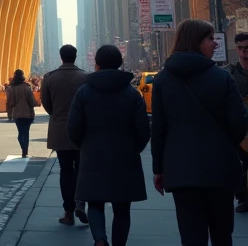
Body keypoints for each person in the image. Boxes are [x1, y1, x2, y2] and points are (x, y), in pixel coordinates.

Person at [151, 18, 247, 245]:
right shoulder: (222, 77)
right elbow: (239, 123)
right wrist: (224, 144)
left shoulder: (163, 79)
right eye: (210, 39)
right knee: (222, 234)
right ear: (196, 41)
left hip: (181, 170)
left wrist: (159, 169)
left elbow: (159, 128)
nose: (215, 44)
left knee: (191, 236)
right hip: (220, 168)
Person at [67, 44, 149, 246]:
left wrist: (84, 145)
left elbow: (73, 127)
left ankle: (100, 239)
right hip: (125, 156)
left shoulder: (84, 92)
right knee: (122, 208)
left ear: (97, 65)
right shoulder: (132, 94)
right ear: (120, 64)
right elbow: (143, 130)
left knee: (95, 203)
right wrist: (133, 147)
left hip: (93, 155)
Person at [41, 43, 88, 227]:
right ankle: (81, 204)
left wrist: (59, 116)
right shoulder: (84, 77)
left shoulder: (50, 79)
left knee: (66, 171)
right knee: (82, 170)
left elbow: (47, 105)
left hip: (60, 131)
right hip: (82, 131)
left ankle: (68, 213)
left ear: (61, 57)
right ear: (75, 57)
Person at [227, 31, 248, 212]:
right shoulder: (230, 72)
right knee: (240, 165)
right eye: (240, 48)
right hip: (239, 127)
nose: (244, 52)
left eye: (247, 48)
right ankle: (243, 197)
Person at [6, 69, 36, 158]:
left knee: (20, 132)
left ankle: (22, 147)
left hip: (17, 114)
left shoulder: (12, 88)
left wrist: (10, 112)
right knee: (26, 132)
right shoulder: (27, 87)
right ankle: (25, 150)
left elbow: (10, 102)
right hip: (28, 114)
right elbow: (32, 102)